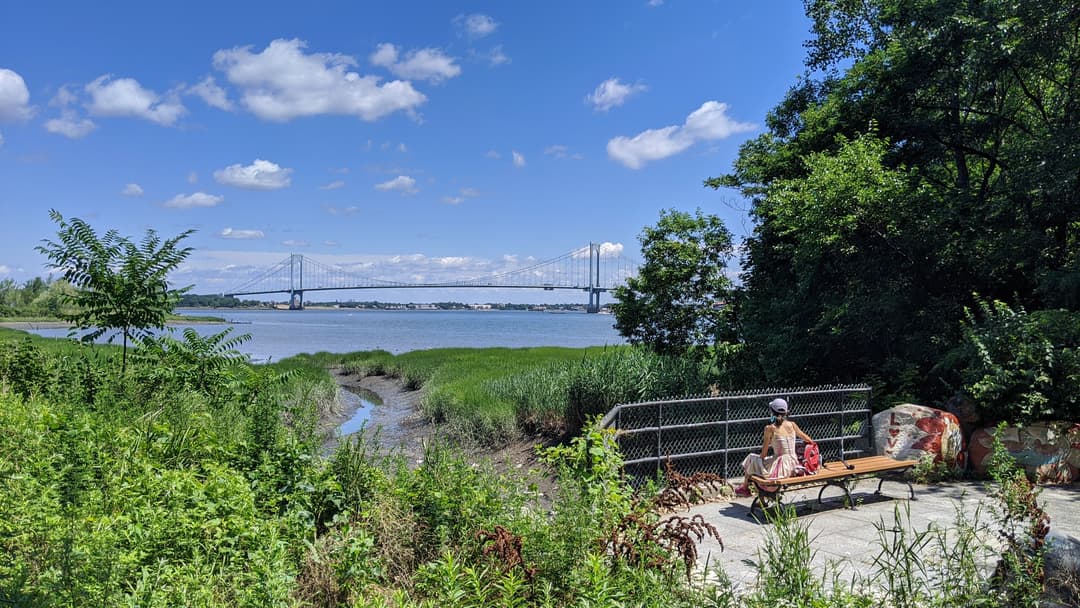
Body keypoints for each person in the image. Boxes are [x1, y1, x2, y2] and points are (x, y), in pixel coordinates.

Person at [734, 398, 814, 497]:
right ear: (786, 412)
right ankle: (755, 495)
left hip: (781, 467)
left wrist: (760, 461)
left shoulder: (770, 428)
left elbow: (763, 454)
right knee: (757, 464)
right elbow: (809, 440)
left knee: (751, 459)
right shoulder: (792, 425)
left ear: (772, 411)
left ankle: (745, 487)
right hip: (794, 463)